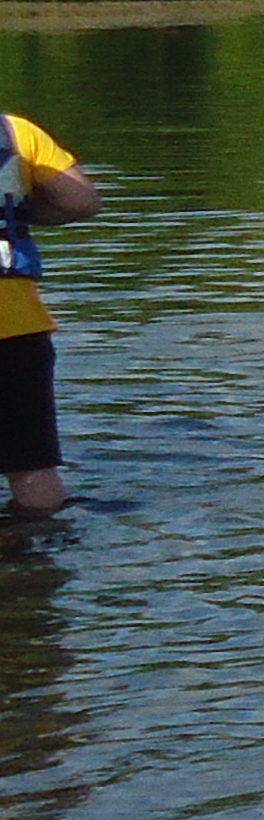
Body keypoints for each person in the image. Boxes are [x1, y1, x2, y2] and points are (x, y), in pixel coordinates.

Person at [1, 105, 100, 521]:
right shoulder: (12, 132)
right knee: (32, 468)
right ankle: (37, 567)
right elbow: (81, 201)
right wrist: (21, 212)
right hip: (15, 328)